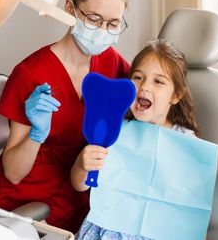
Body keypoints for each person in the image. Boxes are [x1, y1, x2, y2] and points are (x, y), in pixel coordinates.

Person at [0, 0, 131, 233]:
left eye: (112, 24)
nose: (102, 31)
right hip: (28, 202)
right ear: (70, 8)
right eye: (93, 19)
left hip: (84, 196)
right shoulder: (31, 74)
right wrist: (37, 134)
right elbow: (13, 173)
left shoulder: (112, 63)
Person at [71, 38, 200, 240]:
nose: (145, 87)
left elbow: (194, 210)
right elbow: (80, 185)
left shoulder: (186, 143)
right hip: (106, 228)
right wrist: (82, 164)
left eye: (158, 81)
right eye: (138, 77)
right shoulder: (115, 131)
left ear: (176, 95)